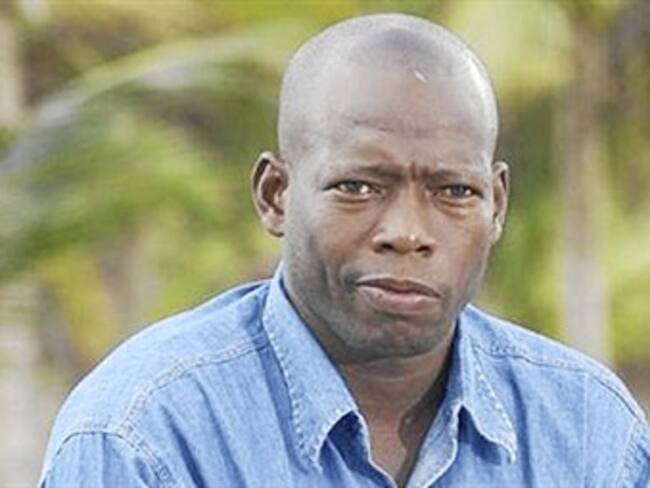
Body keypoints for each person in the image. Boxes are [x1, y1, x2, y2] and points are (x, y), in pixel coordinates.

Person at [40, 13, 649, 487]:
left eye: (454, 191)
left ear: (497, 206)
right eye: (358, 187)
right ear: (275, 195)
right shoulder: (146, 431)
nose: (407, 231)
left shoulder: (586, 426)